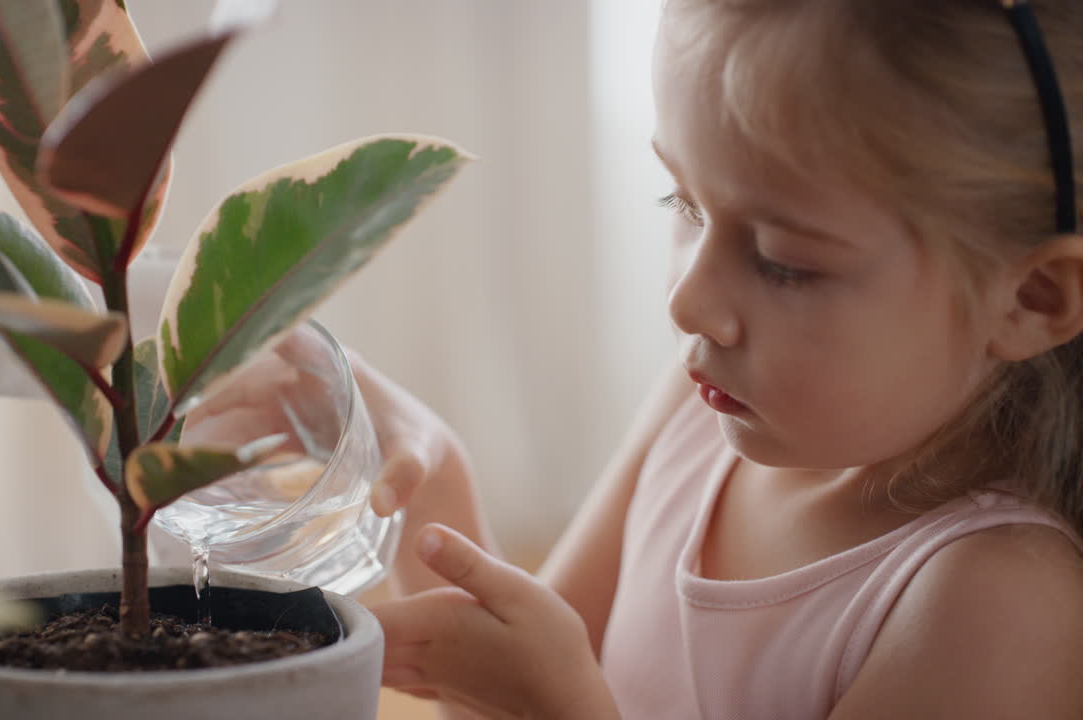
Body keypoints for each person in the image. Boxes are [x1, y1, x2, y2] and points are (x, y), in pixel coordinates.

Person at [192, 1, 1083, 717]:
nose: (687, 302)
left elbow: (552, 693)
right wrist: (425, 467)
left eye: (784, 261)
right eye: (682, 200)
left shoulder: (998, 608)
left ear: (1033, 299)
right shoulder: (701, 410)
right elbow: (504, 676)